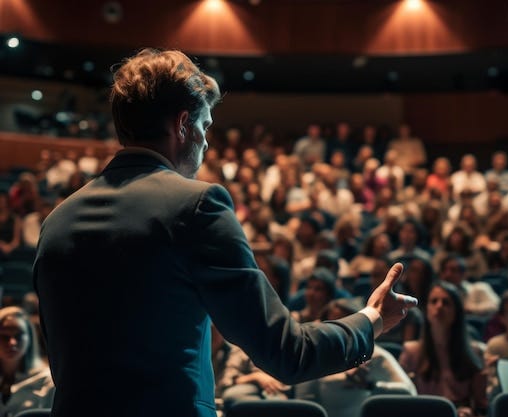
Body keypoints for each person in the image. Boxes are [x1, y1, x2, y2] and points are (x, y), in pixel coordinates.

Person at [33, 48, 417, 417]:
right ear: (183, 125)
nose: (205, 142)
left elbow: (62, 361)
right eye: (204, 127)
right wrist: (373, 319)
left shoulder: (58, 220)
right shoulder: (195, 205)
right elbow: (286, 352)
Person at [399, 282, 487, 417]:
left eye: (446, 302)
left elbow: (481, 406)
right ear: (427, 309)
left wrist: (471, 412)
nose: (439, 306)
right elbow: (402, 402)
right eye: (434, 301)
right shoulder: (411, 351)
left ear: (456, 312)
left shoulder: (475, 352)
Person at [0, 306, 55, 417]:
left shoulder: (47, 381)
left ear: (29, 338)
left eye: (18, 335)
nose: (12, 343)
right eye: (4, 336)